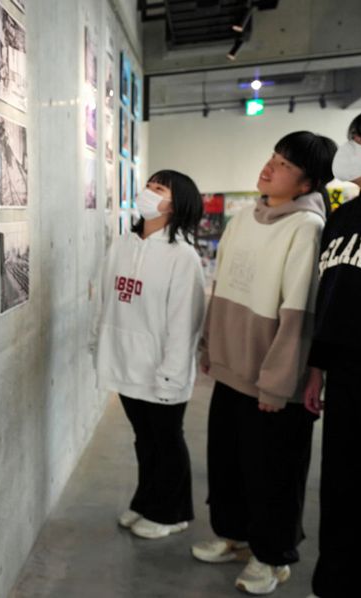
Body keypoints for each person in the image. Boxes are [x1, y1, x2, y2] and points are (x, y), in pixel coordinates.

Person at [194, 131, 337, 595]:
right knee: (229, 463)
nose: (269, 167)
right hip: (233, 372)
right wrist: (209, 348)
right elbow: (221, 291)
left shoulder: (306, 229)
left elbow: (300, 313)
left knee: (273, 474)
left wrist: (277, 385)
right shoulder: (243, 217)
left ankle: (271, 557)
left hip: (272, 382)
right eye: (272, 157)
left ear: (307, 184)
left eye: (284, 164)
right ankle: (234, 536)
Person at [303, 105, 361, 598]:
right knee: (342, 495)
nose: (350, 148)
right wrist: (317, 368)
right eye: (351, 137)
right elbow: (328, 298)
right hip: (347, 379)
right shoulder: (342, 215)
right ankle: (337, 585)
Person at [94, 170, 205, 540]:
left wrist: (171, 373)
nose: (148, 193)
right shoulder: (124, 243)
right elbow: (107, 298)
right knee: (145, 439)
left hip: (162, 370)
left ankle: (171, 512)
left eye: (159, 189)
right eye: (150, 185)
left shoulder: (183, 256)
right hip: (127, 364)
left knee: (166, 440)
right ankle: (146, 501)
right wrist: (101, 344)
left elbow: (184, 322)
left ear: (177, 206)